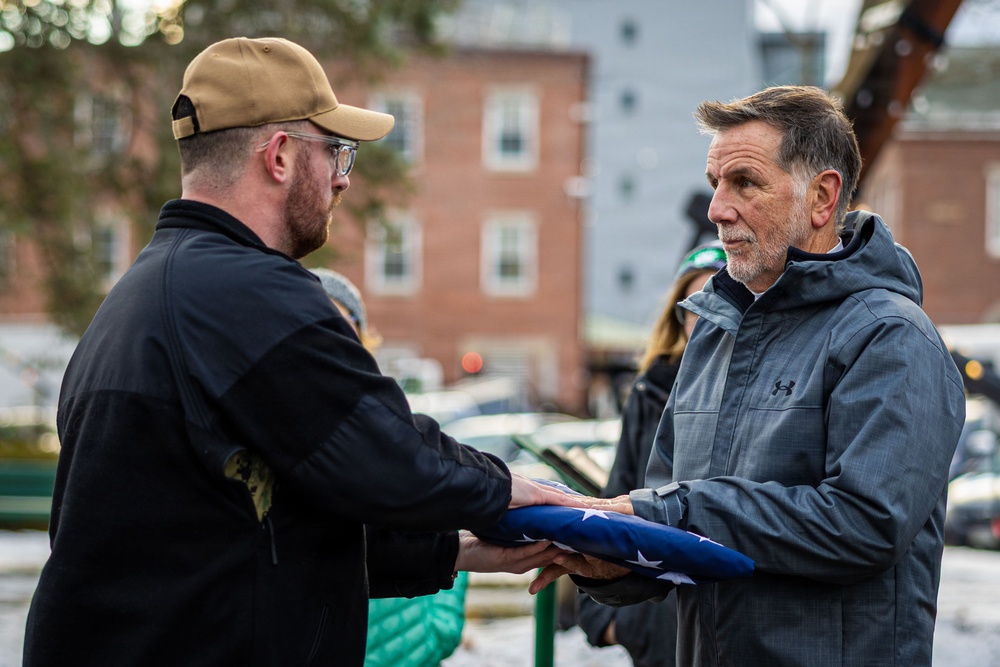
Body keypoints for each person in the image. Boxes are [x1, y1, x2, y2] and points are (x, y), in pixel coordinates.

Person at [22, 37, 607, 667]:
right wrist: (540, 498)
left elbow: (255, 527)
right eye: (337, 151)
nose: (343, 179)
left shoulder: (147, 293)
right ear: (278, 156)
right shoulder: (248, 292)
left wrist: (453, 549)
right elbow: (389, 452)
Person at [532, 85, 967, 666]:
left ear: (821, 196)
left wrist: (673, 515)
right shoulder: (713, 333)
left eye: (745, 182)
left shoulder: (890, 337)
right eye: (715, 182)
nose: (717, 208)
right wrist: (618, 562)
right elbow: (673, 514)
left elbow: (867, 525)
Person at [576, 241, 726, 667]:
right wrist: (616, 624)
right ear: (676, 321)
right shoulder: (650, 392)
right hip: (657, 631)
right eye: (693, 305)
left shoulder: (767, 394)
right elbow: (616, 496)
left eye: (718, 296)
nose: (705, 316)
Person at [310, 267, 469, 667]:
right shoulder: (279, 431)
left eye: (342, 323)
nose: (329, 336)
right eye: (315, 320)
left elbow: (447, 508)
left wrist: (438, 630)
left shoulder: (392, 424)